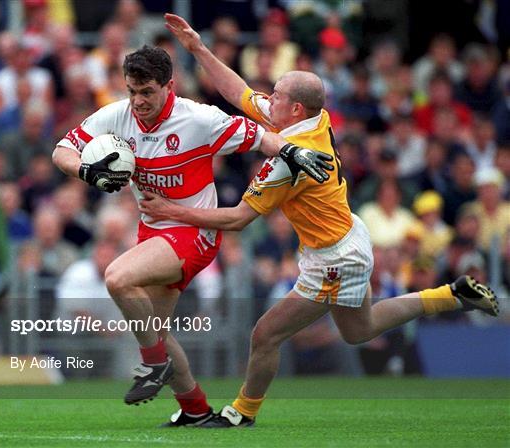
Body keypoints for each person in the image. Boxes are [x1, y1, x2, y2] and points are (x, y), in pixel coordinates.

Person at [139, 13, 500, 428]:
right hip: (346, 234)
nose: (266, 99)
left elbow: (239, 218)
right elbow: (240, 93)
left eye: (274, 95)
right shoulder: (310, 118)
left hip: (334, 256)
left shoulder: (289, 157)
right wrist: (198, 49)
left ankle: (241, 413)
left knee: (266, 334)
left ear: (293, 107)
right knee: (359, 329)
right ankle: (451, 295)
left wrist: (173, 212)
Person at [51, 43, 332, 426]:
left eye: (147, 91)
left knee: (117, 278)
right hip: (153, 232)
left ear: (169, 85)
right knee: (158, 332)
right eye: (133, 91)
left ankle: (154, 367)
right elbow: (62, 150)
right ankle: (195, 409)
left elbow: (260, 137)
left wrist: (292, 152)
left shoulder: (198, 119)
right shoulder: (117, 116)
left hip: (195, 231)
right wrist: (87, 171)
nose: (138, 101)